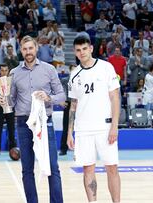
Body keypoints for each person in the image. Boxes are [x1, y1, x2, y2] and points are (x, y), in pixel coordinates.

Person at [6, 35, 64, 203]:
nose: (28, 52)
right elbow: (12, 101)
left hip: (45, 122)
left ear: (36, 48)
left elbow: (61, 95)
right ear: (21, 50)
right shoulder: (14, 73)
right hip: (23, 123)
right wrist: (5, 99)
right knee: (27, 169)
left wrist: (48, 97)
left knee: (53, 166)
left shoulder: (49, 69)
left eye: (31, 48)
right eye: (24, 49)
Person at [67, 36, 121, 203]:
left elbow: (115, 98)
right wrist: (69, 132)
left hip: (104, 127)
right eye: (78, 50)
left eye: (84, 48)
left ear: (91, 48)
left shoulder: (106, 68)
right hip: (83, 129)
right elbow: (73, 106)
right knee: (88, 169)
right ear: (75, 52)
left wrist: (114, 126)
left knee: (111, 167)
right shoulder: (74, 75)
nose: (81, 52)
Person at [0, 64, 16, 156]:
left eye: (6, 70)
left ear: (8, 71)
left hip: (10, 106)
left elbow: (16, 93)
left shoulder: (12, 81)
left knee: (11, 129)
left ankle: (13, 149)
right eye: (2, 70)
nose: (4, 72)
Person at [59, 64, 76, 156]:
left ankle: (80, 149)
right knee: (66, 127)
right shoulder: (65, 80)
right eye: (72, 70)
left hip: (80, 105)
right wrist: (61, 100)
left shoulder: (81, 80)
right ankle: (63, 149)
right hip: (68, 104)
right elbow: (60, 91)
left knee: (80, 127)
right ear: (69, 71)